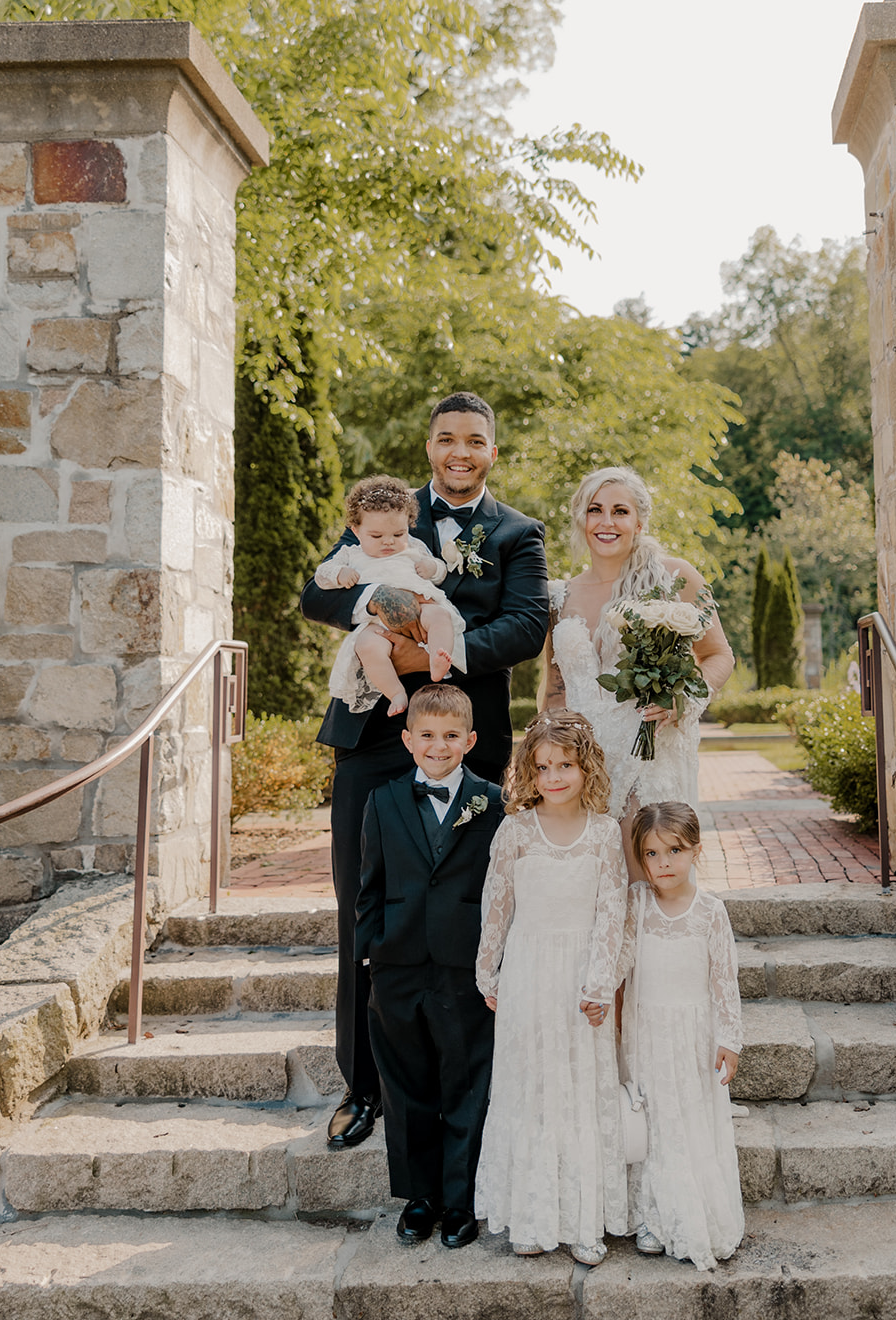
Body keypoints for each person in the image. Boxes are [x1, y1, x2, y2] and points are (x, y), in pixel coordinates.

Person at [301, 391, 548, 1150]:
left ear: (492, 451)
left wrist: (431, 653)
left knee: (465, 909)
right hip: (372, 736)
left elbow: (527, 624)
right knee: (362, 907)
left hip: (466, 740)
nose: (460, 451)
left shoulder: (516, 532)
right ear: (430, 445)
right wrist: (378, 614)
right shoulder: (383, 510)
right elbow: (316, 592)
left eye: (475, 440)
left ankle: (462, 1085)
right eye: (447, 439)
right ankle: (362, 1086)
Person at [474, 710, 628, 1267]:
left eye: (566, 765)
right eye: (543, 768)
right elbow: (497, 905)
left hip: (581, 979)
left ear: (585, 767)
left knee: (581, 1091)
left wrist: (600, 981)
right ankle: (534, 1215)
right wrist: (486, 971)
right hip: (528, 974)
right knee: (531, 1089)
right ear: (529, 774)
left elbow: (613, 912)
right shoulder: (515, 830)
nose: (555, 776)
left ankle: (584, 1221)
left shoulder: (606, 833)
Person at [354, 683, 503, 1249]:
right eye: (426, 736)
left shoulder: (492, 802)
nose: (437, 746)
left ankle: (461, 1199)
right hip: (397, 965)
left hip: (464, 966)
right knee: (407, 1086)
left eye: (449, 736)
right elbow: (369, 887)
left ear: (469, 739)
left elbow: (500, 890)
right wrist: (372, 953)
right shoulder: (383, 800)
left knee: (466, 1083)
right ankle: (419, 1198)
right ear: (407, 739)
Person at [542, 466, 734, 877]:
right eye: (595, 510)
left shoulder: (675, 578)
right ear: (581, 518)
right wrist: (548, 758)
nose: (606, 522)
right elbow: (556, 690)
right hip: (584, 764)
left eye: (620, 511)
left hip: (649, 755)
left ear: (639, 521)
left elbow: (719, 655)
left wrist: (683, 702)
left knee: (650, 879)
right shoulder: (560, 596)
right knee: (594, 888)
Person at [620, 801, 744, 1268]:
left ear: (696, 850)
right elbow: (620, 962)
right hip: (646, 1032)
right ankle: (651, 1213)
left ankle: (687, 1209)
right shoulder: (637, 903)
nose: (663, 863)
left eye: (674, 851)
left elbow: (723, 982)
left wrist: (729, 1038)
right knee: (652, 1122)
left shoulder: (711, 912)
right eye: (651, 854)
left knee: (687, 1122)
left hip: (693, 1037)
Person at [315, 476, 466, 716]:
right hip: (375, 623)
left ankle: (438, 658)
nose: (388, 542)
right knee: (367, 646)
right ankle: (395, 692)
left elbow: (438, 570)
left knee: (439, 616)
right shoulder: (350, 554)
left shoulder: (414, 547)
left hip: (421, 604)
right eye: (376, 536)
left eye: (398, 534)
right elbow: (321, 576)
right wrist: (340, 574)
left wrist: (432, 568)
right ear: (356, 531)